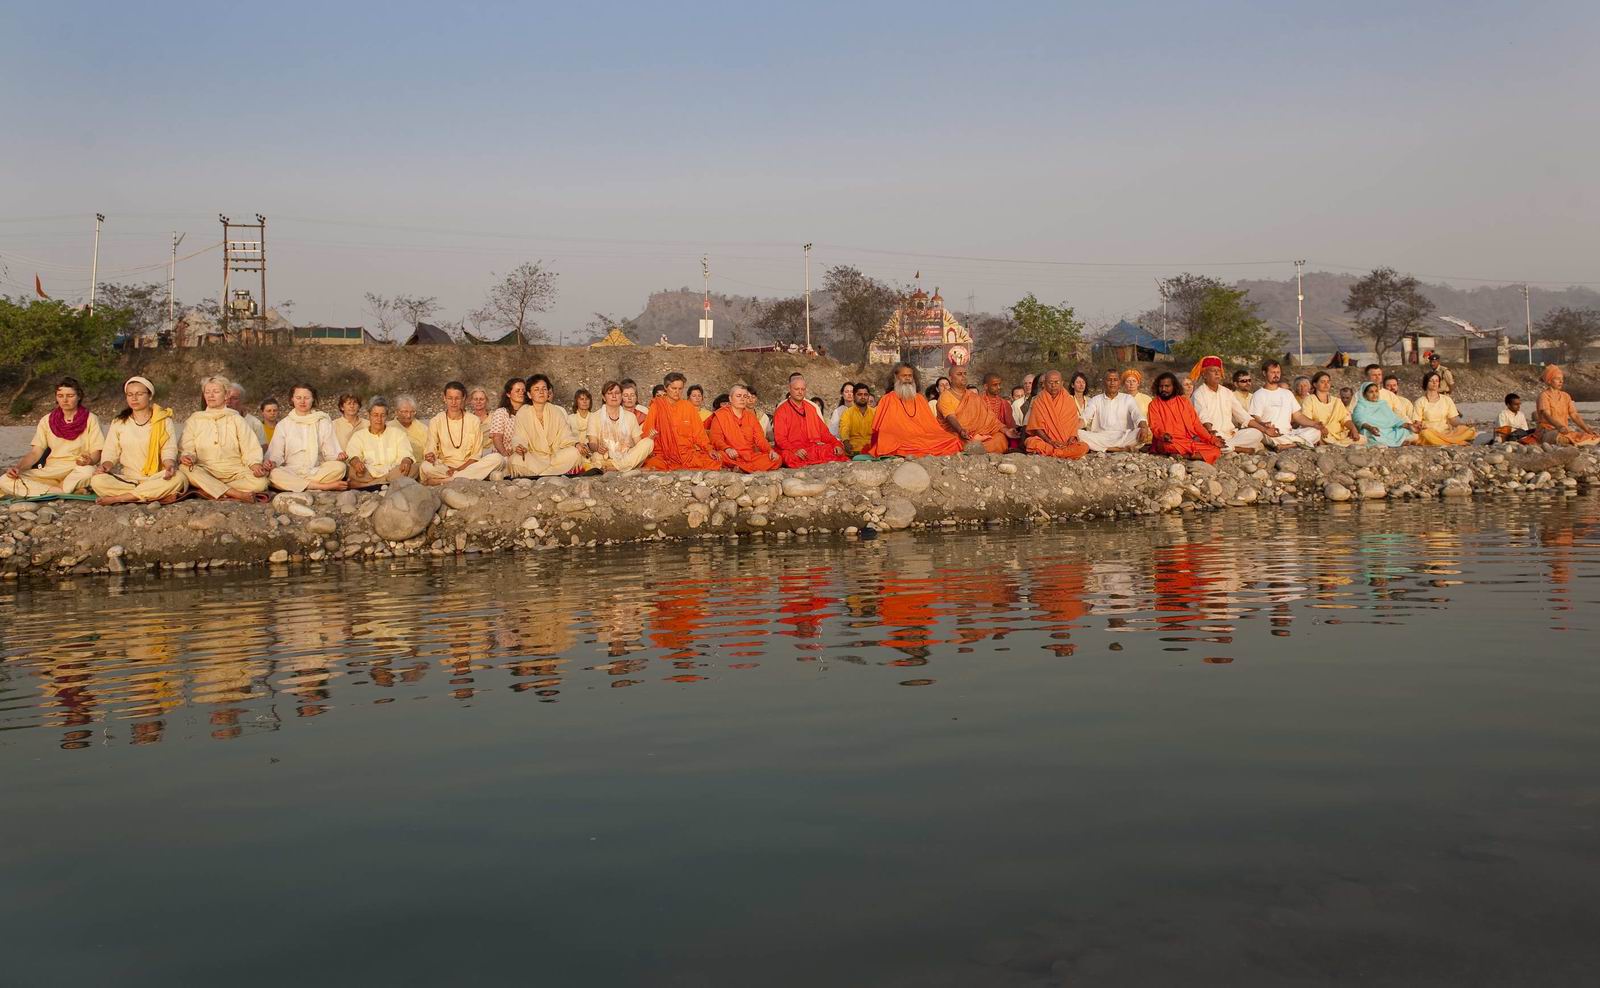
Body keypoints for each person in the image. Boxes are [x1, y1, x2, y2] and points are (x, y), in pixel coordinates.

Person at [89, 376, 186, 504]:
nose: (134, 398)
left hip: (156, 477)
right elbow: (111, 451)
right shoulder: (119, 422)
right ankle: (149, 494)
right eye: (130, 394)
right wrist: (105, 466)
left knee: (179, 478)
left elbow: (168, 449)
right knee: (97, 481)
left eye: (139, 394)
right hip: (128, 479)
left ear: (150, 396)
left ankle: (119, 498)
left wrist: (169, 466)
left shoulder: (163, 420)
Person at [2, 377, 103, 497]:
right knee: (4, 480)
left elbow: (97, 452)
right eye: (60, 396)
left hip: (77, 469)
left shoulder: (91, 419)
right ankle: (60, 491)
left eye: (70, 396)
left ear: (79, 396)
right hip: (51, 470)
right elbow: (35, 453)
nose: (65, 400)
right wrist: (18, 468)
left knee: (89, 471)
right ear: (56, 397)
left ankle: (50, 490)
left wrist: (89, 460)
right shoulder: (46, 420)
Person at [180, 375, 269, 501]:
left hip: (234, 470)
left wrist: (255, 464)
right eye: (207, 392)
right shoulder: (195, 419)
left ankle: (209, 489)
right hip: (206, 469)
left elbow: (249, 447)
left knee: (261, 483)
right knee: (185, 469)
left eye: (216, 392)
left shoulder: (236, 419)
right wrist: (188, 456)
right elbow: (187, 447)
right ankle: (236, 493)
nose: (211, 396)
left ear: (226, 395)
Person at [866, 364, 963, 458]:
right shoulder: (887, 399)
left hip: (922, 437)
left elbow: (931, 426)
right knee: (891, 443)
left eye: (910, 376)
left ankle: (919, 449)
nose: (908, 378)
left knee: (952, 440)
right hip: (901, 439)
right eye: (904, 376)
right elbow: (884, 429)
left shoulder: (920, 398)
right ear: (896, 377)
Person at [265, 384, 348, 492]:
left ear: (313, 399)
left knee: (340, 467)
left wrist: (338, 457)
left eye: (307, 398)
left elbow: (329, 453)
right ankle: (322, 486)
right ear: (292, 399)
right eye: (298, 398)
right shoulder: (283, 424)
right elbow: (276, 454)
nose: (302, 401)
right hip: (291, 470)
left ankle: (296, 485)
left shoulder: (322, 421)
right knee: (274, 473)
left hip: (315, 470)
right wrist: (272, 463)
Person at [421, 381, 504, 483]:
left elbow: (476, 455)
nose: (453, 402)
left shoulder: (473, 420)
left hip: (468, 466)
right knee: (426, 467)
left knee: (497, 458)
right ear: (444, 398)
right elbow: (431, 448)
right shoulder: (436, 421)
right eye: (450, 398)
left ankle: (444, 481)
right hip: (444, 467)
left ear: (463, 398)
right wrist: (431, 456)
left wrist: (458, 469)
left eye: (457, 398)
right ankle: (473, 477)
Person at [643, 372, 720, 471]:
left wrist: (709, 449)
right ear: (666, 388)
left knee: (714, 461)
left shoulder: (688, 407)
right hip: (664, 454)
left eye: (680, 389)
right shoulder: (657, 406)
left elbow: (699, 434)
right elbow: (647, 432)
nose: (677, 392)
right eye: (674, 388)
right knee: (653, 464)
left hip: (686, 453)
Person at [510, 374, 582, 477]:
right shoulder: (523, 412)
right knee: (516, 459)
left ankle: (539, 475)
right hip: (533, 457)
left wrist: (576, 444)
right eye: (536, 389)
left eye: (544, 389)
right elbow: (519, 436)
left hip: (554, 457)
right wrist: (520, 447)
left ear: (548, 392)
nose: (541, 392)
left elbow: (565, 434)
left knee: (575, 453)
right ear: (529, 395)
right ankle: (551, 473)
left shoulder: (556, 411)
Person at [1190, 356, 1265, 451]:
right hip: (1212, 434)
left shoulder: (1227, 392)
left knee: (1256, 433)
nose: (1217, 373)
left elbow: (1242, 415)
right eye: (1213, 370)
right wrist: (1210, 433)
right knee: (1206, 441)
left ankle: (1229, 447)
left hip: (1231, 434)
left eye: (1218, 370)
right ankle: (1236, 448)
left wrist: (1264, 429)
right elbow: (1203, 416)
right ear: (1204, 375)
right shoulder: (1199, 393)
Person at [774, 373, 850, 466]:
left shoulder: (811, 408)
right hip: (792, 448)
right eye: (796, 389)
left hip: (810, 446)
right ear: (790, 389)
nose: (800, 392)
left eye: (803, 389)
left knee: (832, 449)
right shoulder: (782, 410)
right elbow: (780, 439)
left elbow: (824, 433)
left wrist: (836, 444)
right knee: (787, 456)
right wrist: (795, 450)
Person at [934, 366, 1011, 454]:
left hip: (979, 434)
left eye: (965, 374)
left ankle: (976, 449)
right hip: (958, 434)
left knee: (1000, 438)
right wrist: (961, 431)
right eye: (959, 374)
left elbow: (991, 420)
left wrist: (1006, 430)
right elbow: (951, 417)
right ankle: (974, 448)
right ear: (950, 378)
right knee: (953, 440)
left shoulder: (974, 397)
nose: (963, 376)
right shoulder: (945, 397)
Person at [1148, 371, 1221, 464]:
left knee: (1215, 449)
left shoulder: (1184, 402)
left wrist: (1211, 439)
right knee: (1169, 446)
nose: (1163, 389)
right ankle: (1192, 455)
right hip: (1169, 441)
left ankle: (1182, 455)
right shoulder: (1154, 404)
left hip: (1187, 440)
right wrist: (1163, 435)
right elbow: (1155, 426)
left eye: (1167, 386)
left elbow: (1196, 425)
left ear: (1174, 386)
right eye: (1161, 386)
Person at [1248, 360, 1323, 448]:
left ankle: (1288, 445)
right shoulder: (1258, 394)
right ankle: (1297, 443)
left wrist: (1314, 424)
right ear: (1264, 373)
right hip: (1271, 433)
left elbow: (1298, 416)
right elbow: (1255, 418)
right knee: (1261, 435)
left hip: (1289, 432)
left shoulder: (1287, 393)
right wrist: (1264, 425)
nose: (1276, 375)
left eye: (1278, 372)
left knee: (1315, 431)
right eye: (1273, 372)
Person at [345, 397, 415, 488]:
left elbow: (406, 453)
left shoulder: (398, 433)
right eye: (375, 415)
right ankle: (387, 485)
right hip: (368, 473)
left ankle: (368, 485)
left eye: (382, 415)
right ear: (368, 415)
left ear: (387, 416)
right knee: (350, 470)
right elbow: (352, 455)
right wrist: (356, 462)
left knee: (414, 468)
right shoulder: (358, 436)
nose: (379, 419)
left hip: (392, 471)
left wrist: (406, 460)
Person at [709, 384, 781, 472]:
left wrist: (770, 451)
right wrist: (727, 449)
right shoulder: (720, 415)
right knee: (718, 456)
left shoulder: (751, 417)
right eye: (738, 396)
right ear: (730, 399)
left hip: (749, 456)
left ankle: (740, 468)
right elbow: (716, 438)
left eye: (745, 396)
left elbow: (760, 439)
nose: (742, 399)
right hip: (730, 455)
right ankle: (746, 468)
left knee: (777, 459)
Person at [590, 380, 654, 472]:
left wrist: (649, 440)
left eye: (617, 393)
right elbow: (592, 442)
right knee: (597, 456)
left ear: (621, 396)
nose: (614, 396)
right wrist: (597, 448)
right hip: (605, 456)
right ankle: (628, 467)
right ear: (604, 397)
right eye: (610, 393)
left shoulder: (630, 416)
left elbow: (638, 443)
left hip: (626, 455)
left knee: (648, 442)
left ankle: (616, 467)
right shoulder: (594, 416)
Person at [1024, 370, 1089, 459]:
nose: (1053, 385)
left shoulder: (1069, 400)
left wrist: (1070, 439)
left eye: (1056, 382)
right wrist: (1050, 441)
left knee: (1083, 447)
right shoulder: (1039, 401)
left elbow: (1074, 424)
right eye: (1050, 382)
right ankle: (1062, 453)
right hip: (1047, 442)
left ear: (1062, 383)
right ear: (1045, 384)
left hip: (1067, 443)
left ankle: (1055, 453)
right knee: (1031, 442)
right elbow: (1037, 428)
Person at [1079, 369, 1149, 452]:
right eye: (1109, 380)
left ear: (1119, 382)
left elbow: (1138, 415)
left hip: (1123, 436)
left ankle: (1103, 449)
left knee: (1143, 431)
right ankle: (1119, 449)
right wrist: (1073, 428)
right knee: (1078, 433)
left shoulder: (1128, 398)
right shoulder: (1095, 400)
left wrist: (1144, 427)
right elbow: (1085, 418)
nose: (1112, 383)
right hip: (1101, 437)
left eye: (1115, 380)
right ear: (1104, 382)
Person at [1536, 365, 1600, 445]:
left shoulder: (1566, 396)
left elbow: (1574, 415)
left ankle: (1578, 442)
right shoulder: (1544, 396)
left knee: (1594, 436)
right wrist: (1559, 426)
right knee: (1559, 436)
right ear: (1549, 381)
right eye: (1557, 379)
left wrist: (1588, 430)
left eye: (1562, 379)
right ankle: (1578, 442)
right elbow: (1547, 415)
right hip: (1547, 431)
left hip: (1564, 430)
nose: (1561, 381)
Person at [1299, 371, 1364, 446]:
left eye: (1328, 382)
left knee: (1362, 439)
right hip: (1321, 433)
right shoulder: (1309, 400)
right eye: (1323, 382)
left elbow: (1345, 419)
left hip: (1338, 435)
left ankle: (1334, 444)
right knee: (1314, 434)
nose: (1326, 384)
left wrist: (1353, 429)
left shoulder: (1337, 401)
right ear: (1315, 384)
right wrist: (1320, 428)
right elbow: (1306, 420)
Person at [1413, 370, 1476, 445]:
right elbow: (1417, 423)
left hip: (1445, 432)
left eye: (1437, 381)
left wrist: (1464, 424)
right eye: (1431, 381)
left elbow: (1453, 421)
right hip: (1431, 432)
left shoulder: (1447, 400)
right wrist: (1421, 426)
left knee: (1469, 430)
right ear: (1426, 383)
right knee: (1425, 433)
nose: (1434, 383)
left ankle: (1447, 441)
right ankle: (1455, 441)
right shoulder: (1420, 402)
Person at [1352, 382, 1419, 448]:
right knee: (1367, 432)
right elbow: (1358, 419)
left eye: (1376, 391)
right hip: (1374, 430)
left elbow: (1394, 419)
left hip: (1389, 430)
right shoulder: (1360, 405)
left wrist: (1408, 426)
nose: (1375, 394)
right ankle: (1397, 442)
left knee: (1407, 431)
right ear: (1364, 394)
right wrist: (1370, 428)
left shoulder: (1383, 404)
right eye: (1371, 392)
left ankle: (1395, 442)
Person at [980, 372, 1024, 451]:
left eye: (999, 384)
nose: (999, 387)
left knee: (999, 440)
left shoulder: (1004, 404)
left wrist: (1013, 430)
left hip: (998, 433)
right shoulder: (977, 401)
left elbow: (1010, 425)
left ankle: (981, 450)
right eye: (995, 385)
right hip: (980, 434)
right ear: (986, 386)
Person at [488, 378, 527, 459]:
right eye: (517, 390)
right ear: (508, 394)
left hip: (523, 456)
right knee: (494, 462)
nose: (521, 393)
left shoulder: (529, 412)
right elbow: (497, 438)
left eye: (523, 390)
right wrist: (505, 455)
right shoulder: (501, 413)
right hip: (502, 456)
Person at [838, 383, 876, 455]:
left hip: (872, 449)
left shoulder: (875, 413)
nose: (863, 397)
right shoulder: (847, 413)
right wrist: (846, 442)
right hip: (854, 449)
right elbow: (844, 428)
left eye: (865, 394)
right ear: (854, 396)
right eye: (859, 394)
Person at [227, 382, 267, 447]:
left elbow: (263, 447)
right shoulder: (216, 421)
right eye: (227, 398)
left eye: (234, 398)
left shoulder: (255, 424)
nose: (228, 401)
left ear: (242, 400)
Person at [394, 396, 427, 472]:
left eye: (412, 412)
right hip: (398, 466)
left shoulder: (422, 428)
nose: (409, 415)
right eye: (405, 412)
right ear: (396, 412)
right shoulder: (389, 428)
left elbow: (429, 449)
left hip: (420, 466)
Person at [569, 388, 599, 468]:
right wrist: (577, 445)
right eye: (581, 399)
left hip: (592, 450)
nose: (585, 401)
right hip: (575, 449)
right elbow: (567, 438)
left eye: (587, 399)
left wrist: (588, 446)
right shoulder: (570, 419)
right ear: (576, 402)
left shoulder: (595, 417)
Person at [468, 385, 494, 456]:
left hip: (490, 452)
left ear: (486, 401)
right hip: (473, 453)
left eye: (481, 399)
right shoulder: (467, 420)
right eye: (475, 399)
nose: (478, 401)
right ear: (471, 401)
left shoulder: (494, 417)